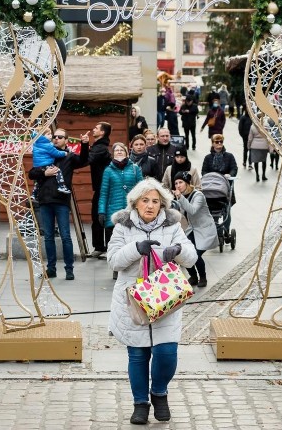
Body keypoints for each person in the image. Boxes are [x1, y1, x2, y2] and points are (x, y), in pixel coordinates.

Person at [106, 178, 197, 424]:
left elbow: (192, 257)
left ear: (162, 204)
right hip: (132, 300)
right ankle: (140, 403)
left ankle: (159, 393)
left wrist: (177, 250)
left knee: (167, 353)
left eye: (155, 201)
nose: (150, 205)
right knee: (138, 355)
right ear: (135, 203)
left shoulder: (173, 225)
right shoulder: (122, 227)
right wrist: (136, 248)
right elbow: (113, 260)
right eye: (145, 200)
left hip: (165, 297)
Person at [28, 128, 90, 280]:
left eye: (60, 137)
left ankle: (69, 269)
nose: (56, 138)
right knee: (48, 237)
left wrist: (85, 145)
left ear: (66, 140)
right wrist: (44, 173)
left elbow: (83, 160)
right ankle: (51, 269)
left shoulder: (68, 157)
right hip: (45, 200)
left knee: (65, 236)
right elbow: (31, 173)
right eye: (54, 136)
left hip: (61, 201)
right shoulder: (44, 151)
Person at [171, 171, 217, 287]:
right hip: (193, 229)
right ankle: (193, 277)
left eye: (180, 182)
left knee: (196, 254)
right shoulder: (180, 197)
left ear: (187, 183)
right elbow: (180, 213)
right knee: (184, 252)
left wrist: (180, 198)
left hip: (205, 229)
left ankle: (203, 277)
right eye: (176, 183)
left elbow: (192, 210)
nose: (178, 185)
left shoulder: (198, 195)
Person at [98, 143, 143, 261]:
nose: (119, 152)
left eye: (121, 150)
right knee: (115, 243)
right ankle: (116, 269)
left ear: (126, 153)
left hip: (131, 211)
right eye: (116, 150)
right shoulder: (108, 171)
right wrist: (101, 211)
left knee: (130, 242)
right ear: (113, 154)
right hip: (113, 211)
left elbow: (142, 190)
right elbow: (104, 193)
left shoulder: (135, 169)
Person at [201, 134, 239, 234]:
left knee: (227, 211)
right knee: (212, 212)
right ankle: (215, 230)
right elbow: (204, 171)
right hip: (211, 188)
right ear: (212, 143)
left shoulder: (229, 156)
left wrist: (230, 175)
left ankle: (226, 231)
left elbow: (234, 168)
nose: (219, 144)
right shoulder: (208, 158)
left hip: (225, 188)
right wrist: (209, 176)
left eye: (220, 142)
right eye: (216, 142)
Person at [87, 121, 113, 258]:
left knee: (101, 217)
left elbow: (88, 159)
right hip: (100, 188)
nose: (93, 129)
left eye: (96, 128)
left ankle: (104, 247)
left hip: (104, 189)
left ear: (102, 132)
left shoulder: (100, 147)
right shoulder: (98, 146)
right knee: (97, 217)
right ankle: (99, 246)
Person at [30, 128, 72, 199]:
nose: (52, 136)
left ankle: (34, 194)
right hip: (46, 164)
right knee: (58, 171)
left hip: (37, 165)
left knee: (38, 182)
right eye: (49, 134)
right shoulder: (48, 145)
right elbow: (56, 153)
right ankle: (62, 186)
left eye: (60, 137)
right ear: (42, 136)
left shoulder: (36, 144)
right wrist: (65, 153)